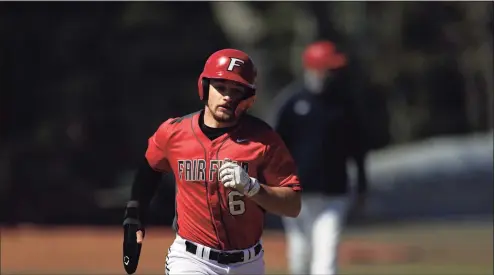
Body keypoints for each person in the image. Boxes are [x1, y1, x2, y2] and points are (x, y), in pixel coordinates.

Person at [122, 48, 302, 275]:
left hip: (248, 263)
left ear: (248, 99)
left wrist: (253, 188)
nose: (227, 96)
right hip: (191, 260)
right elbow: (149, 170)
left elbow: (293, 205)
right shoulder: (174, 132)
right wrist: (134, 217)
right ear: (205, 87)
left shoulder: (264, 140)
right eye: (221, 87)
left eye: (236, 91)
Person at [271, 40, 369, 275]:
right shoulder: (293, 104)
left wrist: (363, 185)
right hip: (296, 194)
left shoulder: (344, 104)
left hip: (334, 194)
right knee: (300, 255)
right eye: (328, 68)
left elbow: (357, 147)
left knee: (327, 255)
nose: (333, 74)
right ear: (314, 68)